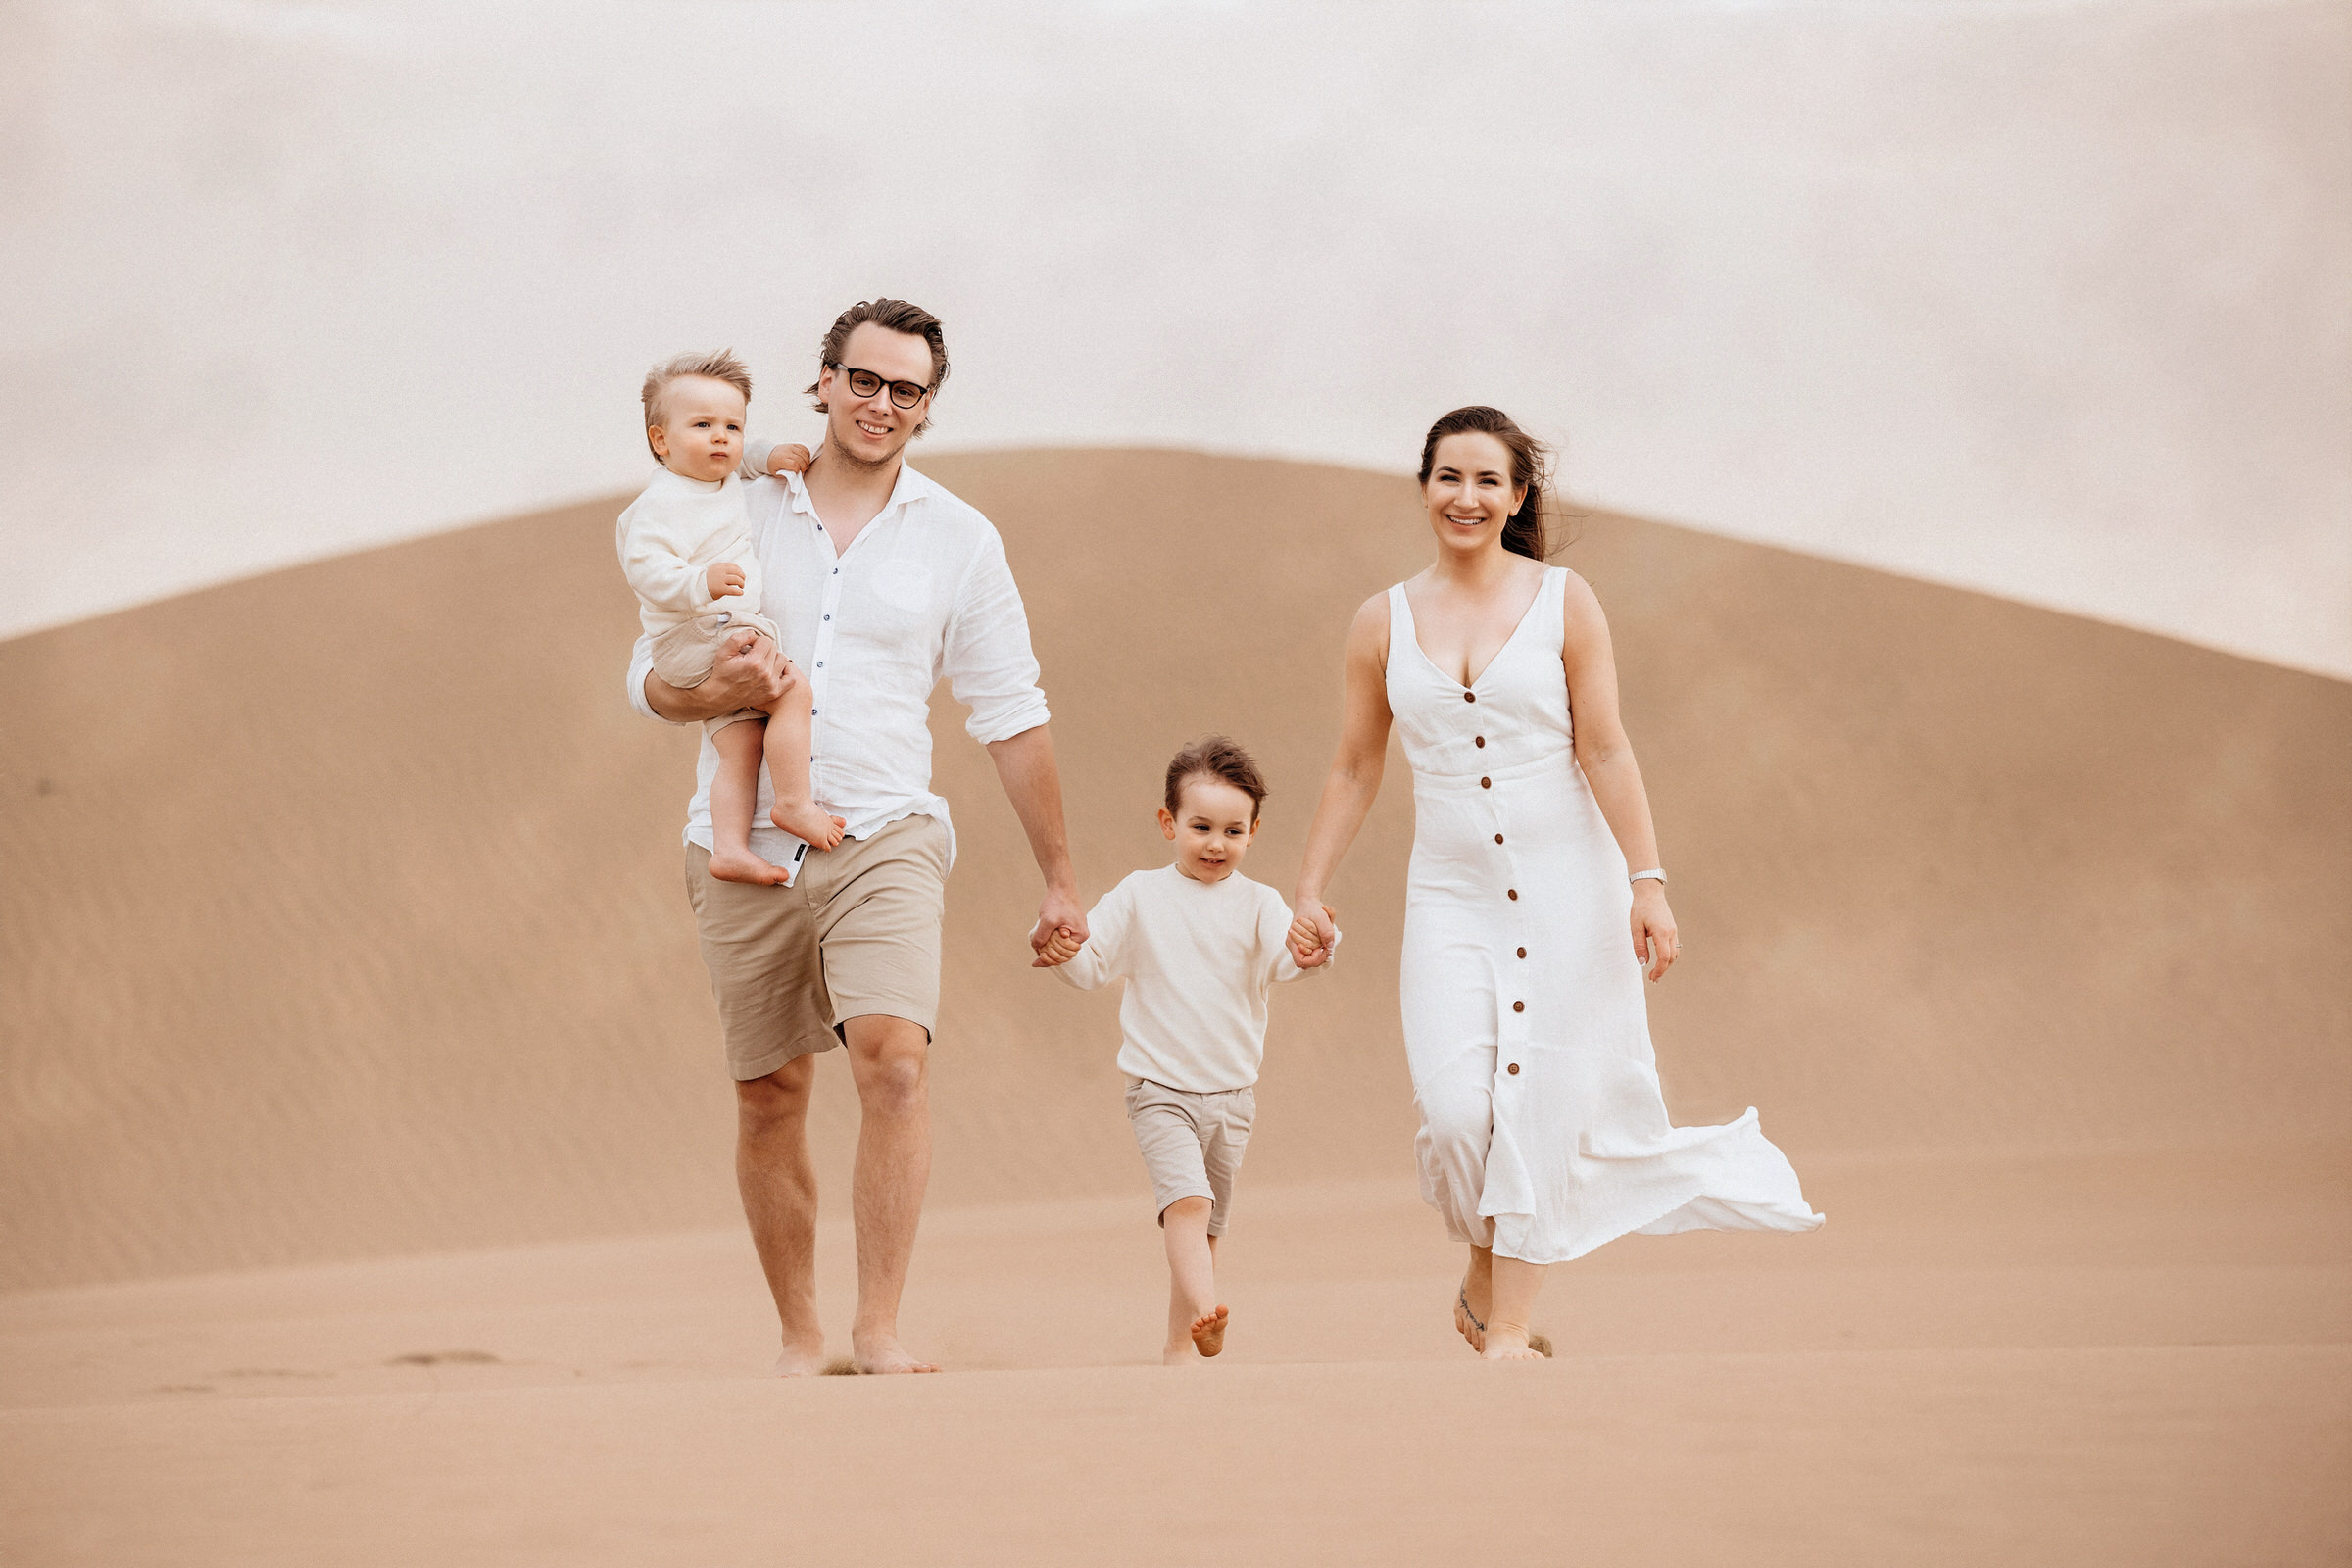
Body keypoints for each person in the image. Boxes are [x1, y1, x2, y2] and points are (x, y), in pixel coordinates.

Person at [1286, 405, 1822, 1362]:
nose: (1467, 496)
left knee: (1540, 1106)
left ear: (1518, 495)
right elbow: (1355, 766)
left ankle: (1509, 1328)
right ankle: (1485, 1265)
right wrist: (1310, 887)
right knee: (1458, 1115)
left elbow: (1605, 747)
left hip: (1572, 888)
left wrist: (1648, 883)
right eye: (1450, 477)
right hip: (1450, 898)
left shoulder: (1566, 601)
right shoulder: (1381, 620)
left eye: (1488, 480)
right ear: (1424, 487)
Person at [628, 299, 1087, 1375]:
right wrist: (708, 696)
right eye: (864, 380)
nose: (881, 404)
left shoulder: (960, 538)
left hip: (883, 829)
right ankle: (801, 1335)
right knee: (769, 1094)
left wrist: (1061, 877)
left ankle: (878, 1328)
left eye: (906, 389)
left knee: (895, 1063)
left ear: (928, 406)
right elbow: (647, 670)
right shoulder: (736, 507)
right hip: (741, 839)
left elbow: (1010, 709)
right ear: (825, 381)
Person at [1035, 738, 1337, 1364]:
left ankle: (1180, 1350)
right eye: (1201, 827)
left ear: (1254, 832)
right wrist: (1062, 950)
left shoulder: (1259, 903)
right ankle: (1209, 1313)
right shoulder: (1139, 895)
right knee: (1188, 1206)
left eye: (1233, 830)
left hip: (1233, 1098)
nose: (1216, 844)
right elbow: (1091, 964)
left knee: (1204, 1228)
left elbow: (1287, 959)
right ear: (1168, 823)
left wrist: (1315, 949)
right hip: (1160, 1092)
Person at [615, 350, 839, 886]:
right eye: (702, 426)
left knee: (739, 743)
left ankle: (730, 848)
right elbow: (645, 567)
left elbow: (741, 461)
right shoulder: (660, 503)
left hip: (705, 634)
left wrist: (768, 455)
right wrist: (700, 582)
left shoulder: (713, 477)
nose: (721, 438)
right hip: (698, 630)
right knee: (793, 692)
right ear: (660, 440)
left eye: (732, 427)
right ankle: (794, 801)